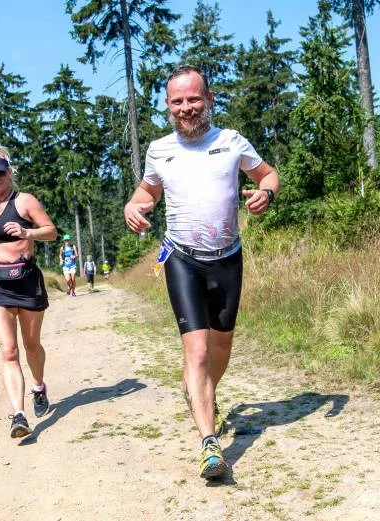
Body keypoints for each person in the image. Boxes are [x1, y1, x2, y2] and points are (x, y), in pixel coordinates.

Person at [123, 65, 280, 480]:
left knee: (221, 349)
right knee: (196, 351)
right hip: (182, 258)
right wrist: (133, 205)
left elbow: (267, 174)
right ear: (167, 107)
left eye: (193, 100)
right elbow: (147, 190)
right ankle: (210, 444)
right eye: (177, 102)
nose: (186, 109)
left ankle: (201, 393)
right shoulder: (159, 150)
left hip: (227, 258)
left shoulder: (230, 142)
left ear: (208, 100)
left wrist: (265, 193)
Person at [0, 146, 57, 439]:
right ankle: (18, 415)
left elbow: (51, 231)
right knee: (8, 350)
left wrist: (28, 232)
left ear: (9, 172)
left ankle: (39, 386)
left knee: (31, 346)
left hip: (27, 279)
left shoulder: (25, 201)